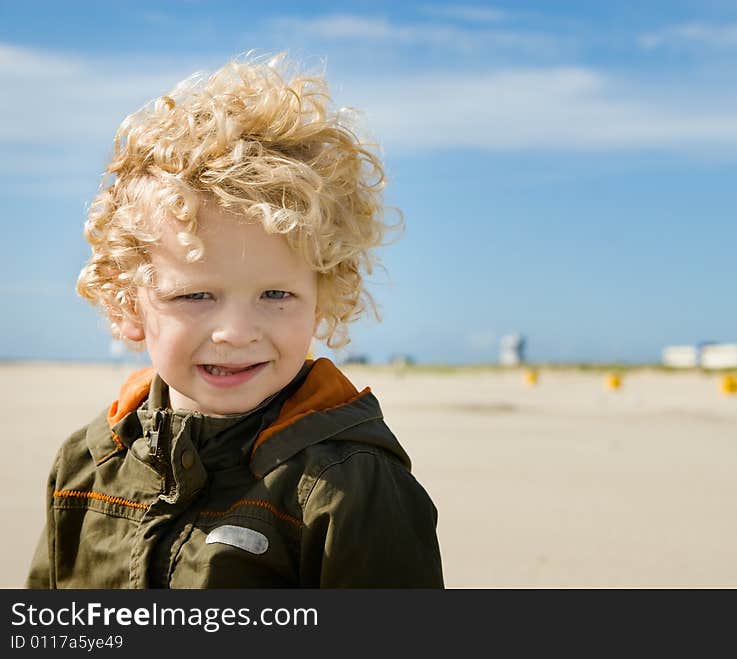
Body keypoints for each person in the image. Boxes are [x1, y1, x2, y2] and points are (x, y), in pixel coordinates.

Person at [26, 54, 443, 588]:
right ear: (129, 302)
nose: (237, 332)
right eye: (196, 295)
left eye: (276, 294)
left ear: (324, 291)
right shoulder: (86, 466)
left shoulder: (349, 487)